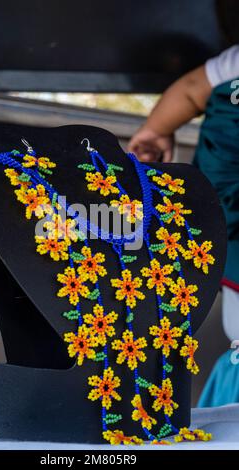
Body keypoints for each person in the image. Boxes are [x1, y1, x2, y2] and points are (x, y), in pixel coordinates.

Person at [128, 0, 239, 407]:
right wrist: (154, 133)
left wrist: (155, 131)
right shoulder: (232, 64)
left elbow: (192, 90)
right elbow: (193, 89)